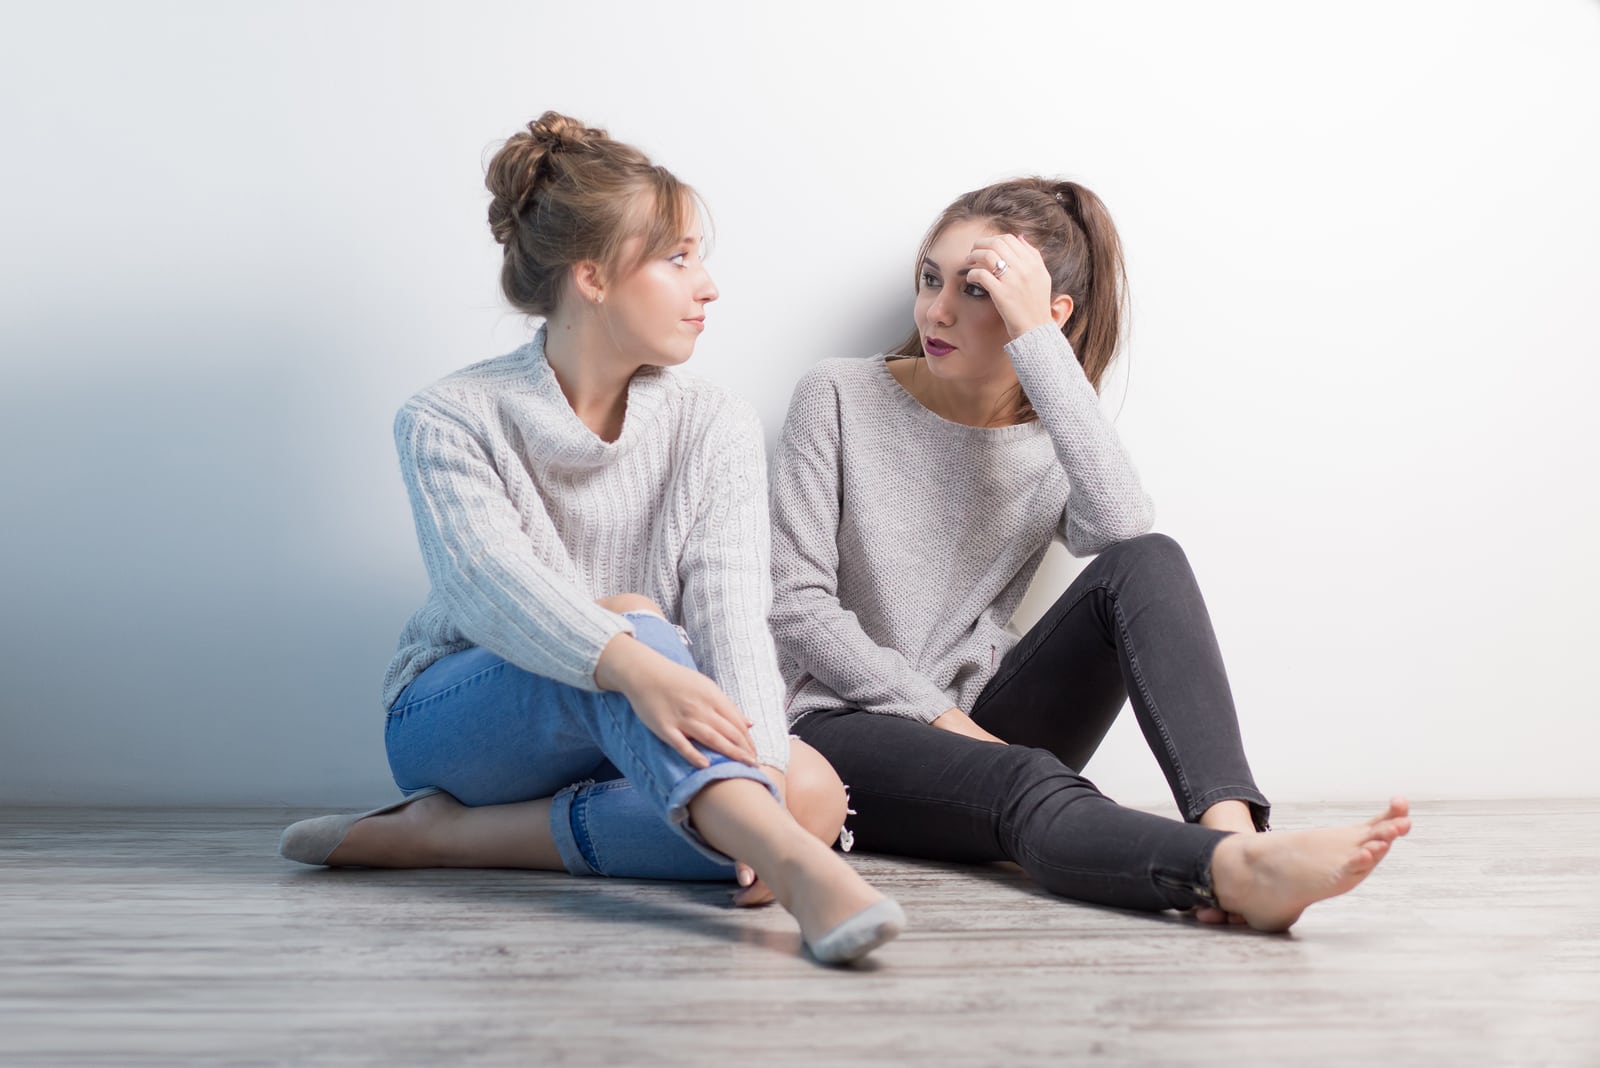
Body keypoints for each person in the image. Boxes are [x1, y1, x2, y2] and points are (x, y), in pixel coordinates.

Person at [278, 112, 904, 964]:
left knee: (814, 792)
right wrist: (635, 661)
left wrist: (762, 775)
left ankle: (448, 840)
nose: (709, 285)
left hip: (639, 730)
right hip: (462, 719)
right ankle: (799, 873)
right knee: (629, 625)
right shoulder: (448, 417)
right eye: (678, 258)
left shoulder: (713, 424)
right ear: (592, 276)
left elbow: (730, 615)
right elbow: (489, 590)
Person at [769, 177, 1409, 931]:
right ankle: (1222, 876)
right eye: (930, 279)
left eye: (975, 292)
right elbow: (798, 608)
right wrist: (943, 722)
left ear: (1043, 315)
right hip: (846, 728)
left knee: (1152, 559)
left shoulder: (1050, 441)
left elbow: (1123, 528)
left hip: (984, 718)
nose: (936, 312)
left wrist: (1040, 346)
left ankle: (1234, 834)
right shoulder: (838, 396)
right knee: (1024, 776)